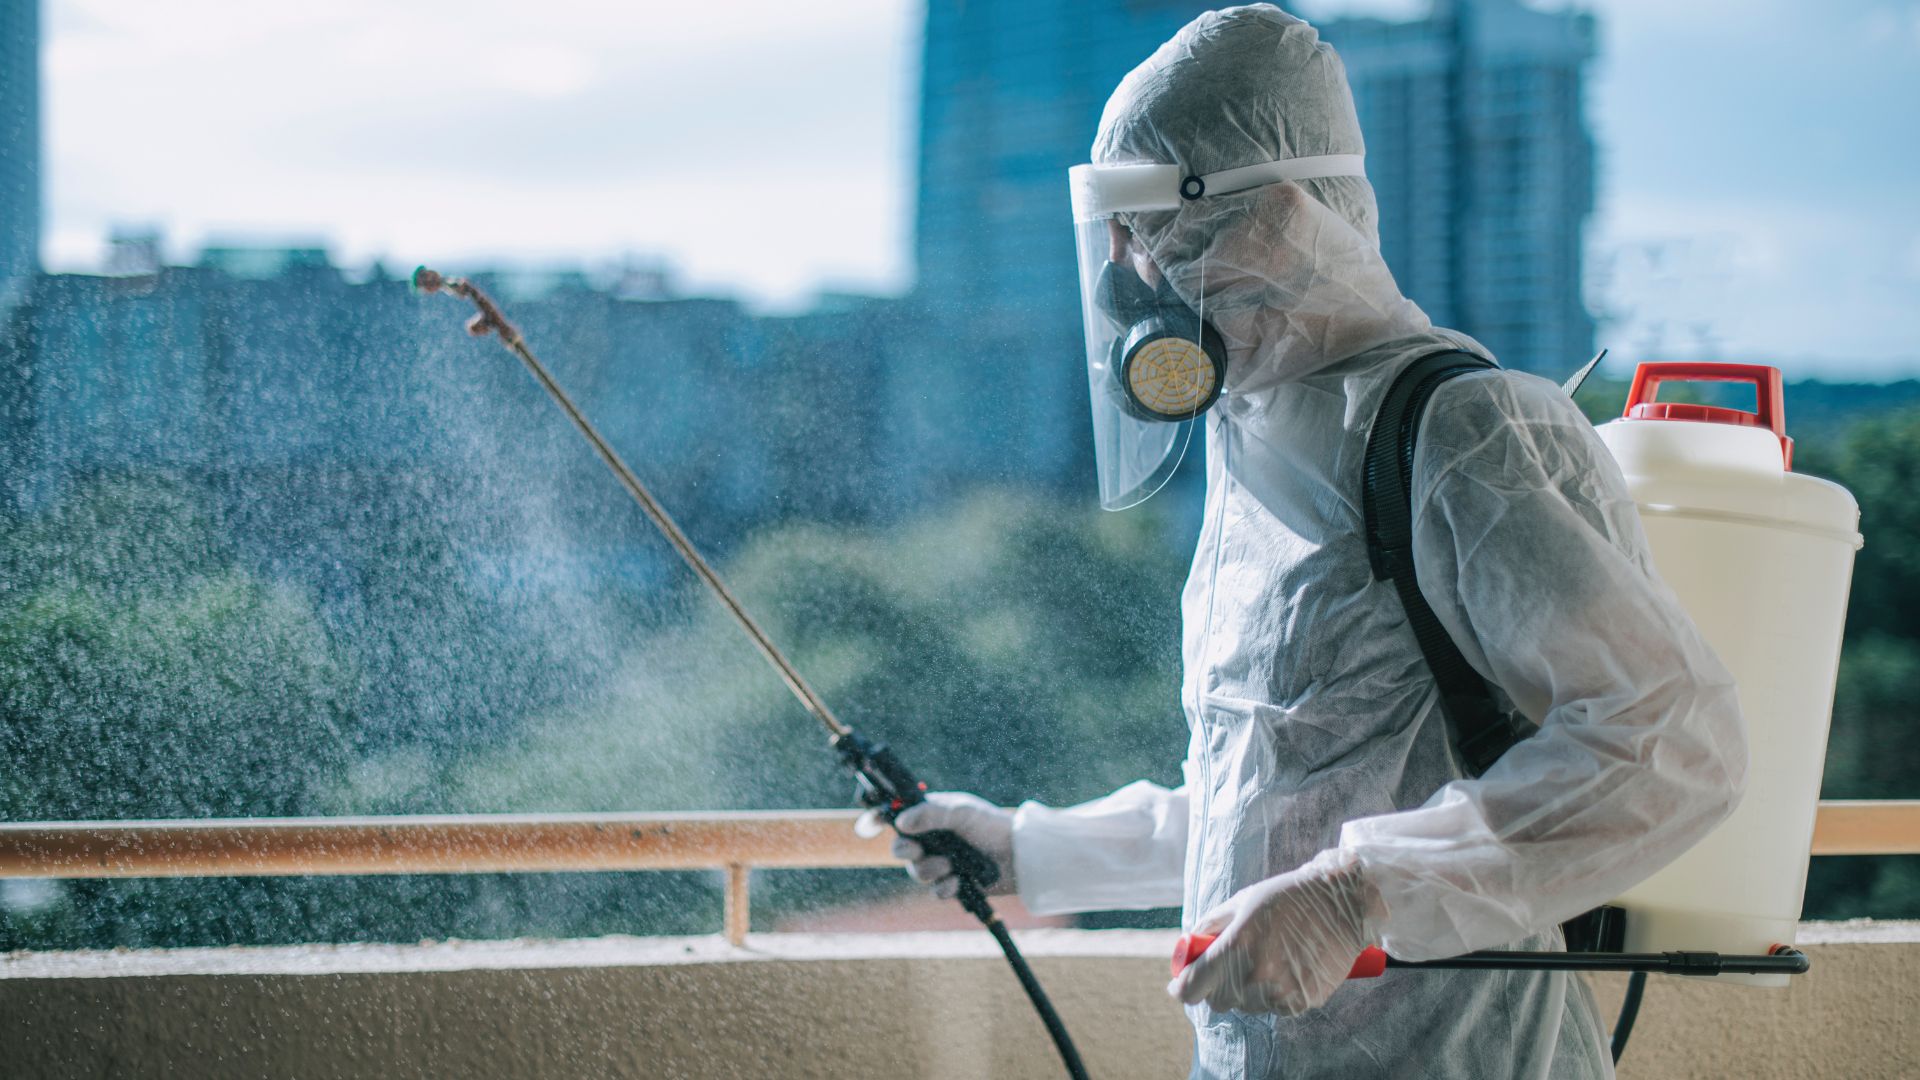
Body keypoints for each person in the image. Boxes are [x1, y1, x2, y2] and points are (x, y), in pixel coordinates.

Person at [875, 7, 1747, 1078]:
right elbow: (1282, 796)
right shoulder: (1256, 442)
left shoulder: (1466, 432)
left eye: (1153, 233)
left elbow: (1673, 745)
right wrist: (1032, 850)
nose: (1129, 278)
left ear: (1275, 220)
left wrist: (1360, 893)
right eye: (1118, 238)